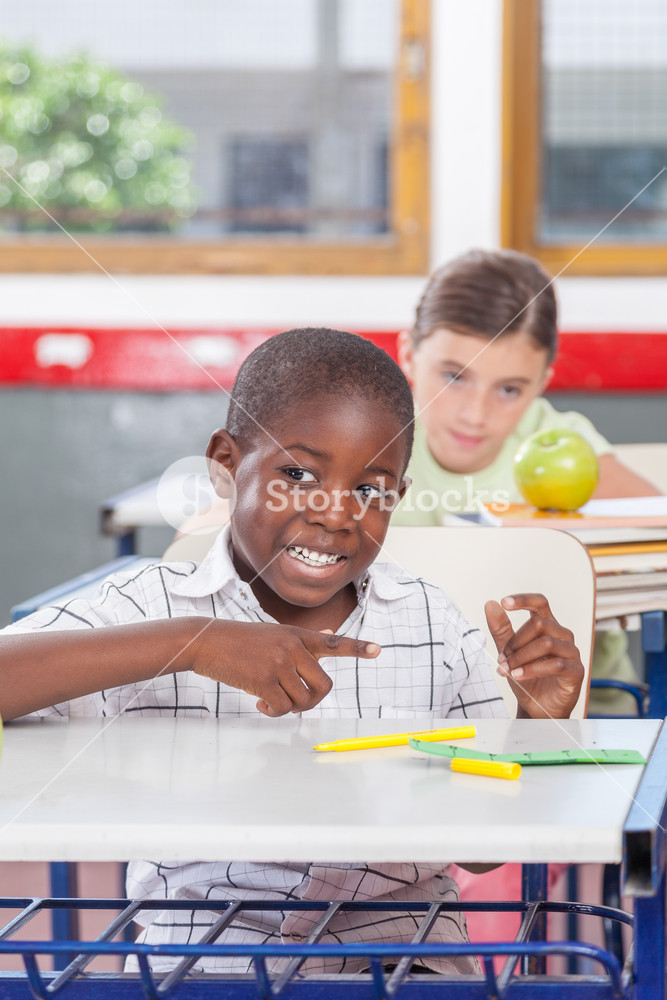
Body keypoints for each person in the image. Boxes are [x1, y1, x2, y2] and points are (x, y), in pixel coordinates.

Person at [0, 328, 585, 978]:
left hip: (401, 955)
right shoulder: (150, 609)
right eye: (297, 474)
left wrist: (536, 725)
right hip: (206, 959)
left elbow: (480, 853)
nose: (337, 513)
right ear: (225, 462)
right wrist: (191, 643)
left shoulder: (431, 623)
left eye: (370, 488)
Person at [393, 247, 660, 717]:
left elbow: (655, 542)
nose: (476, 415)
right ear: (409, 355)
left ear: (542, 383)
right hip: (418, 707)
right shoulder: (372, 440)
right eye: (454, 376)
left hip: (585, 712)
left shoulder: (565, 446)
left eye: (510, 389)